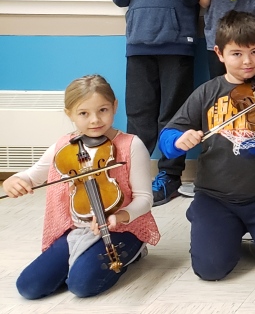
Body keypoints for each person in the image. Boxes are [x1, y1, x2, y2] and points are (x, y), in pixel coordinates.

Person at [158, 11, 255, 280]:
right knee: (210, 269)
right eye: (237, 54)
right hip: (216, 197)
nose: (248, 62)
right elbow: (167, 141)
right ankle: (213, 222)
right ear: (219, 53)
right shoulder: (207, 92)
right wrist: (179, 141)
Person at [4, 75, 160, 299]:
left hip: (123, 228)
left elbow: (145, 198)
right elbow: (32, 176)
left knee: (81, 286)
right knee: (29, 287)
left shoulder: (130, 145)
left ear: (115, 106)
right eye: (84, 113)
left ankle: (134, 252)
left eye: (103, 110)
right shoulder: (64, 147)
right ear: (69, 114)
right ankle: (80, 258)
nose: (95, 120)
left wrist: (119, 216)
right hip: (78, 230)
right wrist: (15, 180)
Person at [111, 0, 206, 206]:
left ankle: (170, 175)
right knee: (138, 113)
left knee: (173, 115)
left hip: (177, 43)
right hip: (139, 42)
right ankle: (131, 174)